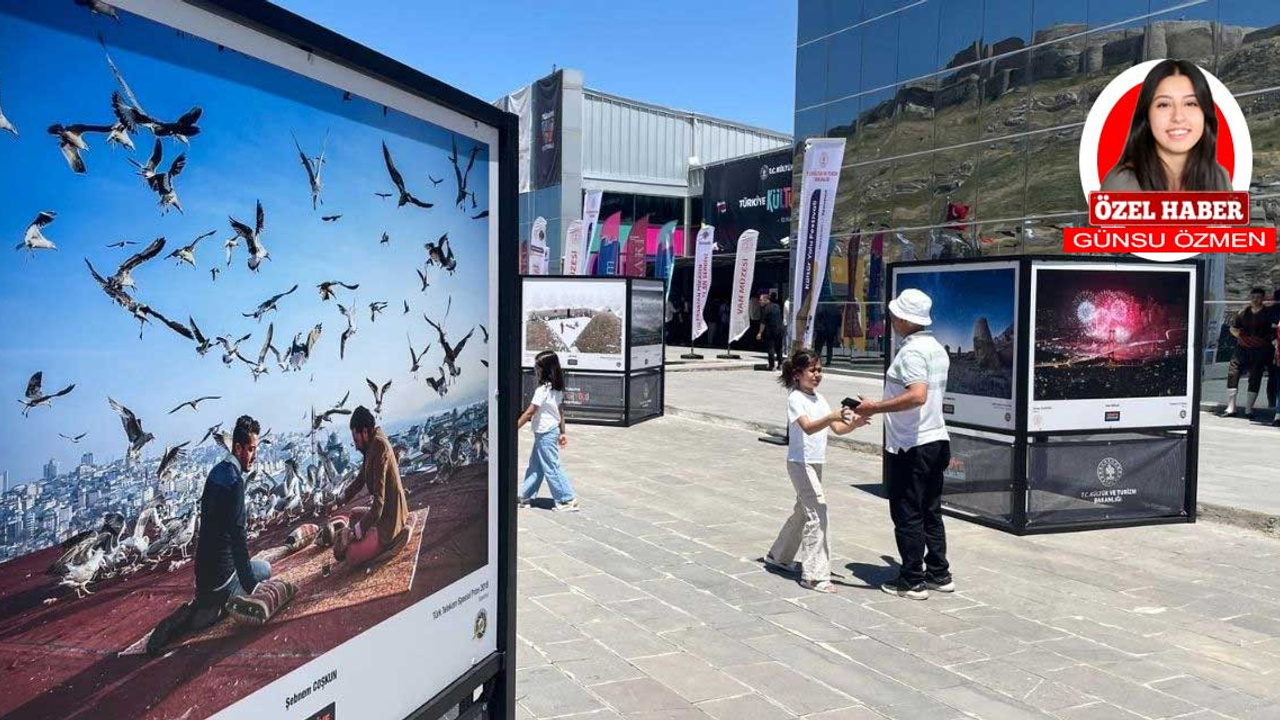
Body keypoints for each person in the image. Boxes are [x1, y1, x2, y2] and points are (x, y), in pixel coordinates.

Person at [855, 288, 952, 601]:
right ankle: (939, 572)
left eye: (895, 314)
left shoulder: (911, 353)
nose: (892, 317)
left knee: (907, 512)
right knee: (931, 509)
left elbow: (917, 395)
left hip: (912, 444)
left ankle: (912, 579)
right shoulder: (936, 347)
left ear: (903, 318)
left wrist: (873, 407)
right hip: (936, 438)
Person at [147, 415, 271, 655]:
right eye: (251, 450)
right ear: (237, 448)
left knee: (246, 570)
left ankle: (205, 605)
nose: (254, 456)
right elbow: (238, 540)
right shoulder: (235, 484)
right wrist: (252, 587)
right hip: (222, 578)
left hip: (204, 575)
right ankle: (219, 606)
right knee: (265, 570)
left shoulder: (215, 473)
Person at [765, 349, 866, 593]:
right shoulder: (795, 398)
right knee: (817, 511)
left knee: (804, 510)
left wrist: (856, 424)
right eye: (812, 370)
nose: (817, 375)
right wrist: (831, 415)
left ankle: (778, 556)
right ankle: (814, 574)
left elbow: (838, 429)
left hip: (816, 462)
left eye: (820, 370)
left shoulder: (820, 399)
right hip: (800, 463)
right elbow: (808, 427)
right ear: (798, 374)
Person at [1101, 59, 1231, 192]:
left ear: (1205, 113)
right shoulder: (1122, 184)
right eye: (1164, 105)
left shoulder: (1219, 179)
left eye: (1191, 103)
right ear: (1147, 114)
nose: (1178, 117)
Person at [333, 405, 409, 565]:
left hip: (390, 517)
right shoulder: (371, 446)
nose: (356, 445)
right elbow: (360, 480)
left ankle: (394, 539)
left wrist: (356, 533)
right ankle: (373, 537)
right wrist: (339, 500)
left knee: (351, 557)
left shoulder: (379, 447)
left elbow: (379, 503)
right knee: (353, 515)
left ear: (365, 431)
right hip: (384, 511)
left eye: (356, 439)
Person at [517, 350, 578, 511]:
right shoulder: (556, 388)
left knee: (551, 466)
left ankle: (566, 499)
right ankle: (526, 496)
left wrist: (513, 427)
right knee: (536, 466)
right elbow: (561, 411)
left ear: (544, 369)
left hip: (545, 433)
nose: (535, 370)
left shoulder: (542, 390)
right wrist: (562, 432)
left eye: (537, 367)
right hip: (548, 432)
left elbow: (530, 411)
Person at [1222, 287, 1273, 419]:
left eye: (1258, 297)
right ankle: (1231, 407)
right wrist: (1240, 336)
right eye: (1253, 297)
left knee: (1255, 376)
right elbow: (1233, 329)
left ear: (1263, 298)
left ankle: (1249, 409)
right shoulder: (1243, 313)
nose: (1255, 300)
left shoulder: (1268, 314)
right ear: (1250, 297)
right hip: (1242, 348)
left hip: (1260, 349)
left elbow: (1272, 333)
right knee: (1233, 373)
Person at [757, 292, 785, 371]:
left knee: (770, 348)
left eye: (761, 300)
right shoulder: (777, 306)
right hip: (779, 330)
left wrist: (759, 333)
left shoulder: (765, 309)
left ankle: (772, 365)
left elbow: (763, 323)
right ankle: (780, 364)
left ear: (766, 300)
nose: (759, 302)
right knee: (779, 348)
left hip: (771, 331)